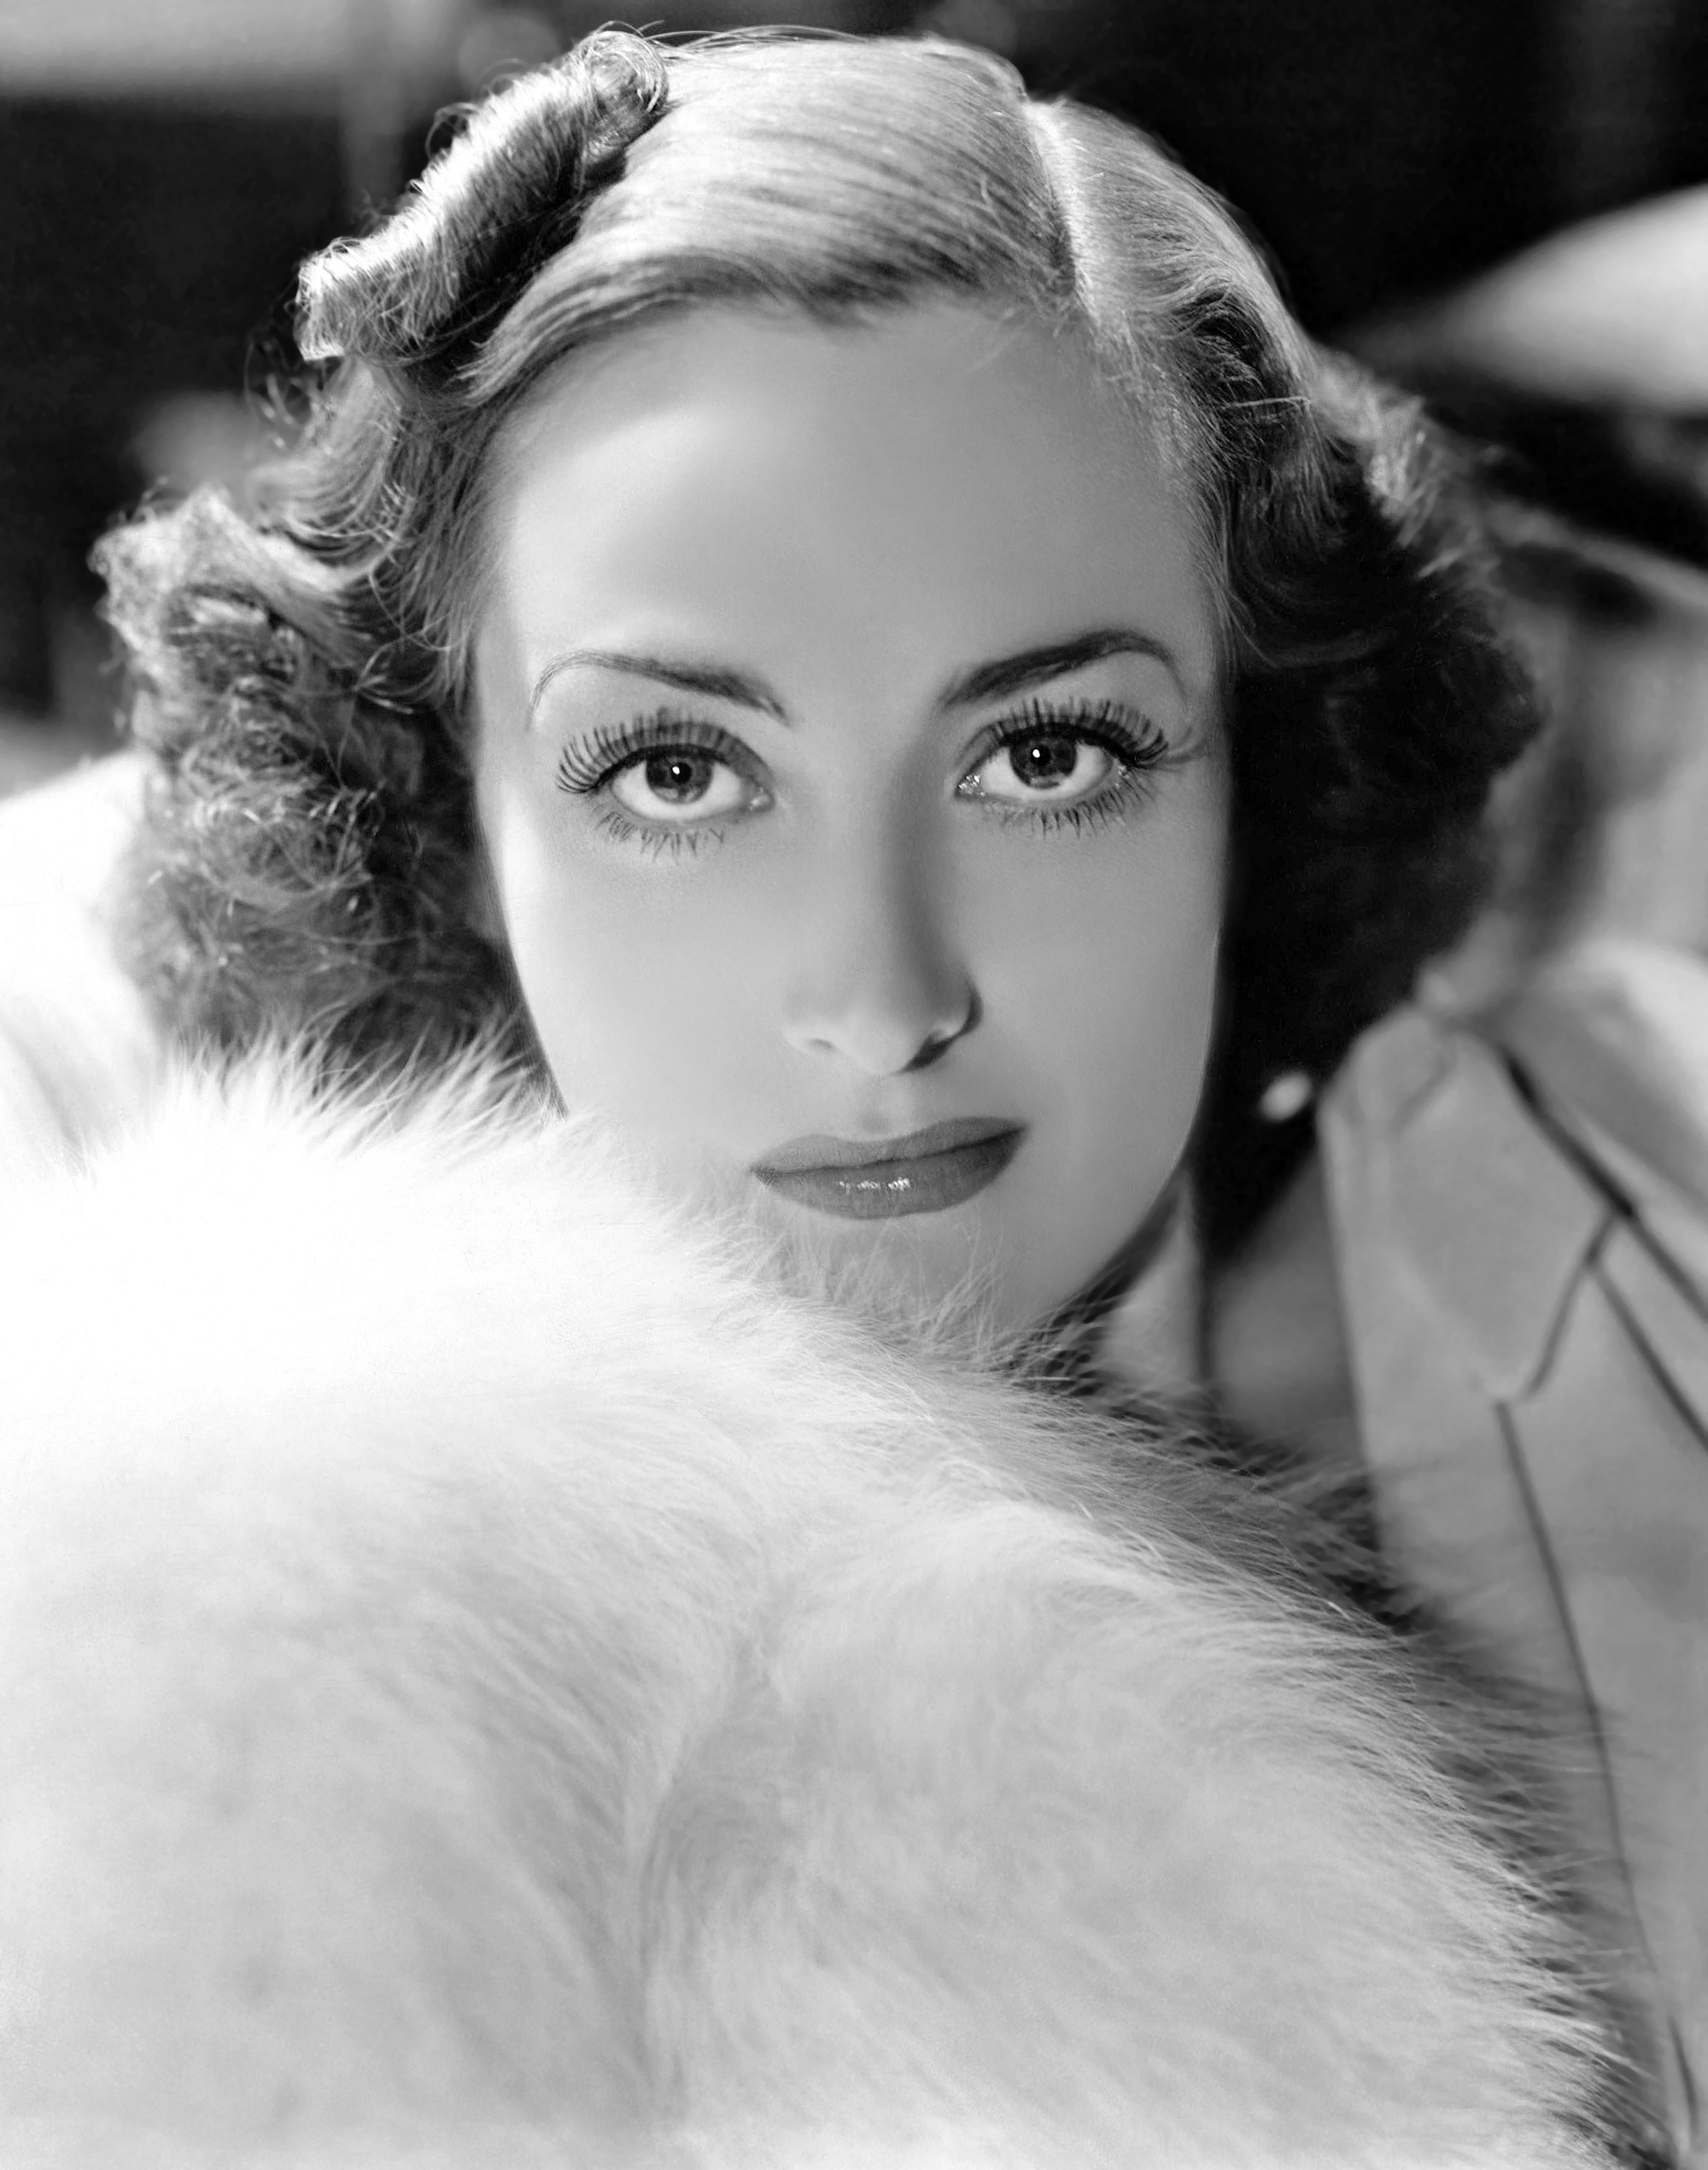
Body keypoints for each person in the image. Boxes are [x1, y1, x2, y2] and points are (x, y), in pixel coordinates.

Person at [6, 23, 1701, 2163]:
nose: (885, 998)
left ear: (1261, 762)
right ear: (447, 813)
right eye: (677, 773)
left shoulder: (1621, 1227)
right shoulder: (193, 1471)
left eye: (1048, 755)